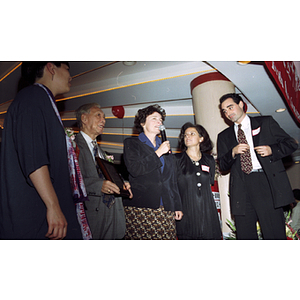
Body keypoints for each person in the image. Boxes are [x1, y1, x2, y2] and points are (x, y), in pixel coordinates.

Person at [0, 62, 84, 239]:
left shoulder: (41, 100)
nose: (71, 76)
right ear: (51, 68)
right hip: (37, 215)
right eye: (67, 69)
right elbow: (34, 158)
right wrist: (53, 206)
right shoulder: (32, 97)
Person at [217, 93, 298, 240]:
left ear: (241, 104)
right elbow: (222, 165)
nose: (228, 113)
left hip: (265, 181)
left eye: (230, 107)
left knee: (273, 232)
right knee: (245, 234)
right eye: (224, 111)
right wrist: (233, 152)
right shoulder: (224, 136)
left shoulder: (265, 122)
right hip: (241, 186)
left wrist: (272, 149)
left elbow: (291, 144)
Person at [123, 104, 183, 239]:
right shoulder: (132, 143)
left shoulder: (165, 146)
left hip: (166, 207)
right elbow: (135, 169)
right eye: (154, 118)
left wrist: (177, 205)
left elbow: (171, 179)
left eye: (160, 119)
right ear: (143, 123)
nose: (159, 122)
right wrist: (158, 153)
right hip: (142, 206)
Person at [75, 103, 132, 239]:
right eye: (98, 115)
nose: (104, 120)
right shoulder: (72, 146)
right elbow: (69, 180)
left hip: (113, 218)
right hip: (92, 219)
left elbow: (107, 177)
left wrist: (122, 184)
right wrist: (98, 186)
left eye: (104, 117)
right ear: (84, 118)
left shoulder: (101, 152)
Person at [174, 122, 222, 240]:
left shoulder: (209, 160)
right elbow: (172, 186)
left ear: (201, 138)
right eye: (185, 135)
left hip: (208, 210)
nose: (187, 137)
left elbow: (210, 181)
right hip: (186, 209)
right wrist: (176, 207)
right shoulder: (176, 159)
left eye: (192, 134)